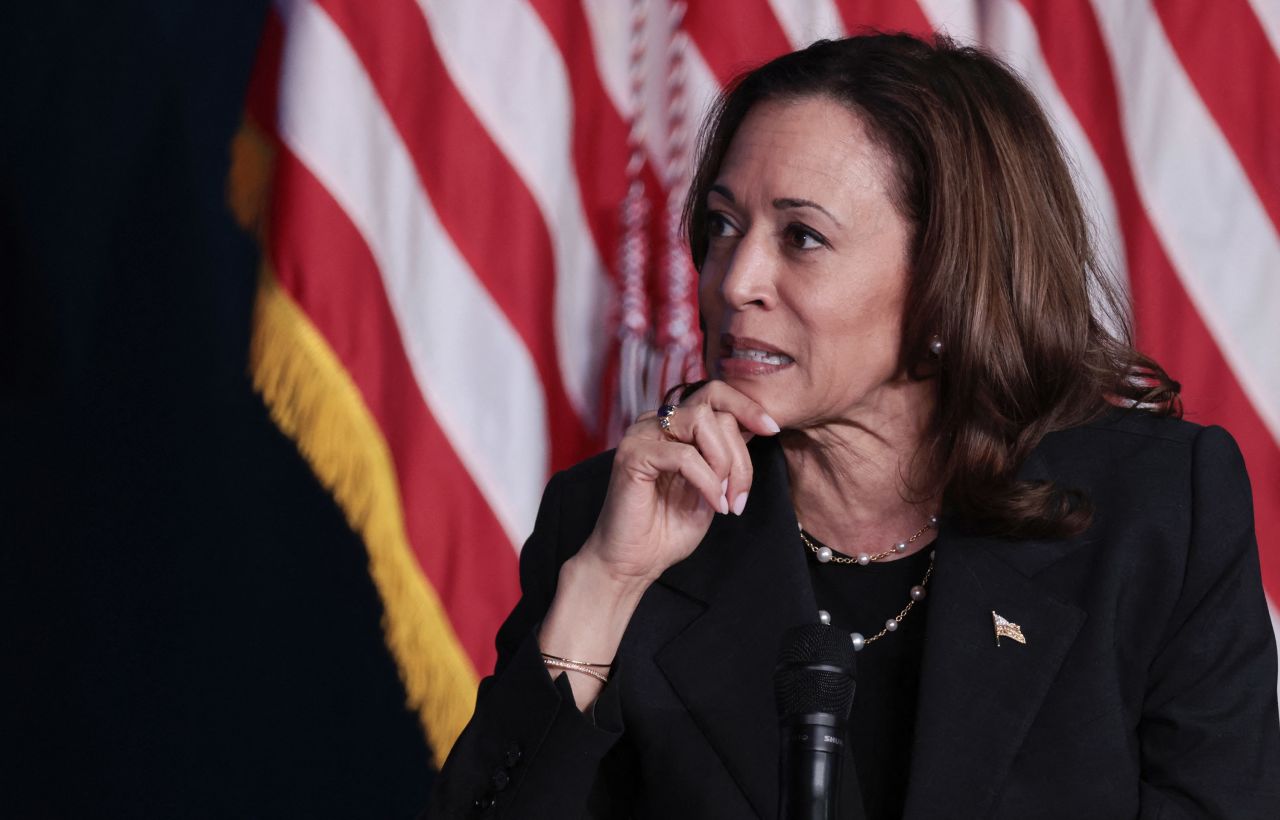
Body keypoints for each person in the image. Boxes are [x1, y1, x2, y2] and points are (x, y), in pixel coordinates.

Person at [428, 32, 1280, 819]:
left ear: (949, 281)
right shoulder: (610, 519)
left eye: (801, 237)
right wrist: (607, 584)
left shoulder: (1157, 515)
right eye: (723, 226)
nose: (736, 281)